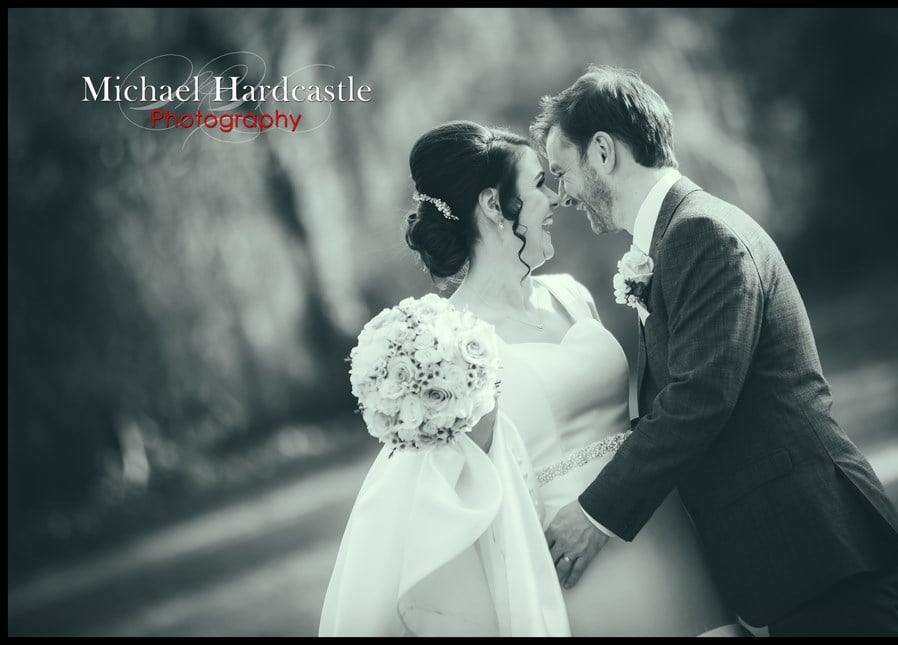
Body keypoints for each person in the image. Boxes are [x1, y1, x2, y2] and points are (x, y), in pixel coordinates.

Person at [529, 65, 898, 637]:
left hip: (815, 542)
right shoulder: (676, 236)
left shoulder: (701, 232)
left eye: (562, 173)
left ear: (604, 152)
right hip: (793, 554)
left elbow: (700, 395)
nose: (562, 196)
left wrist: (593, 514)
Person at [318, 120, 746, 636]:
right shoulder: (446, 346)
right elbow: (457, 498)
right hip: (577, 567)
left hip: (660, 520)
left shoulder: (572, 294)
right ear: (496, 207)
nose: (557, 198)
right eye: (539, 184)